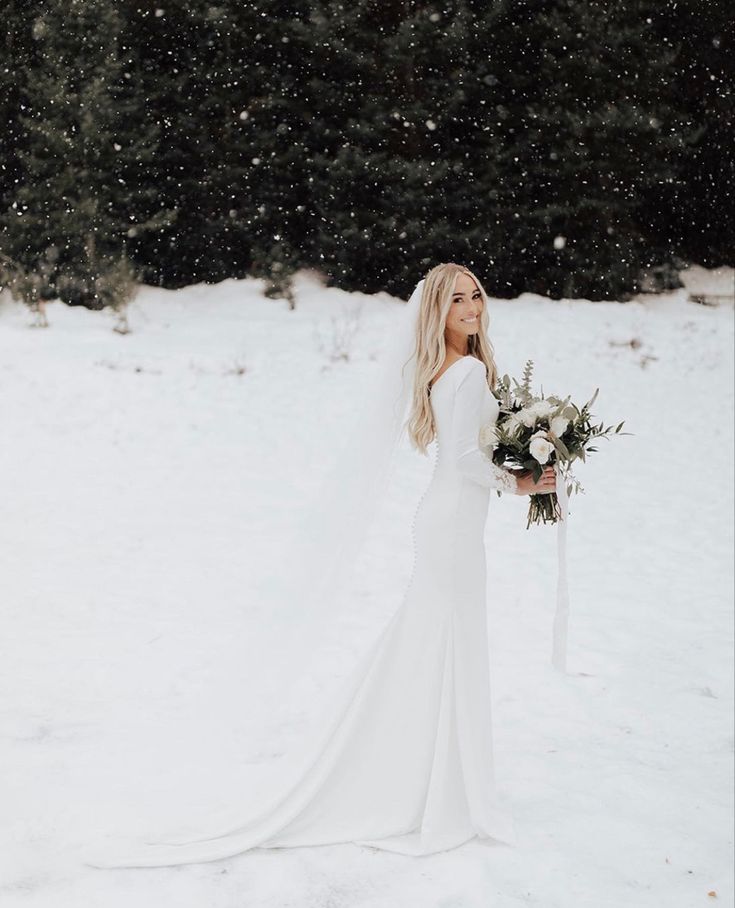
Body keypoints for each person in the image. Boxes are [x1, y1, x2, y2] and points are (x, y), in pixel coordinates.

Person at [85, 262, 555, 868]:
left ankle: (427, 773)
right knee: (444, 641)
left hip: (446, 522)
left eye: (476, 296)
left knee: (435, 643)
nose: (472, 307)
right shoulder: (464, 371)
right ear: (436, 310)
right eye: (457, 300)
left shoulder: (451, 367)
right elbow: (466, 459)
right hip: (453, 526)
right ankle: (431, 781)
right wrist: (520, 482)